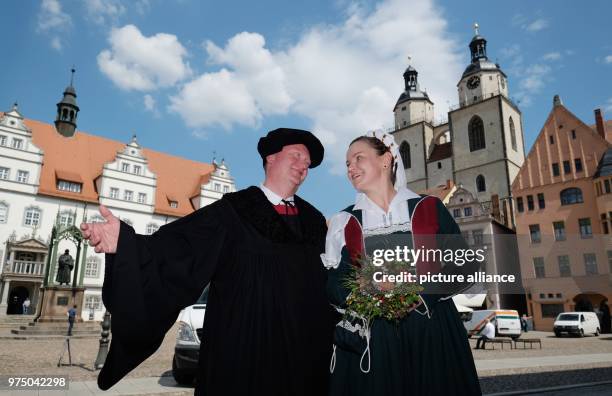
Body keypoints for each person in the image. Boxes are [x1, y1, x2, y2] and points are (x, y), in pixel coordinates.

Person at [81, 128, 334, 395]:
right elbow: (177, 247)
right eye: (296, 156)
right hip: (245, 358)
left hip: (304, 362)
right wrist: (124, 241)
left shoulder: (314, 221)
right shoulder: (234, 210)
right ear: (271, 158)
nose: (302, 166)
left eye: (307, 164)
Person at [321, 131, 481, 396]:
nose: (350, 167)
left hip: (431, 330)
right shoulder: (345, 221)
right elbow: (334, 285)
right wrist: (363, 291)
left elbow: (464, 266)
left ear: (386, 160)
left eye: (358, 158)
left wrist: (421, 293)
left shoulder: (430, 207)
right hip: (375, 337)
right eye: (347, 163)